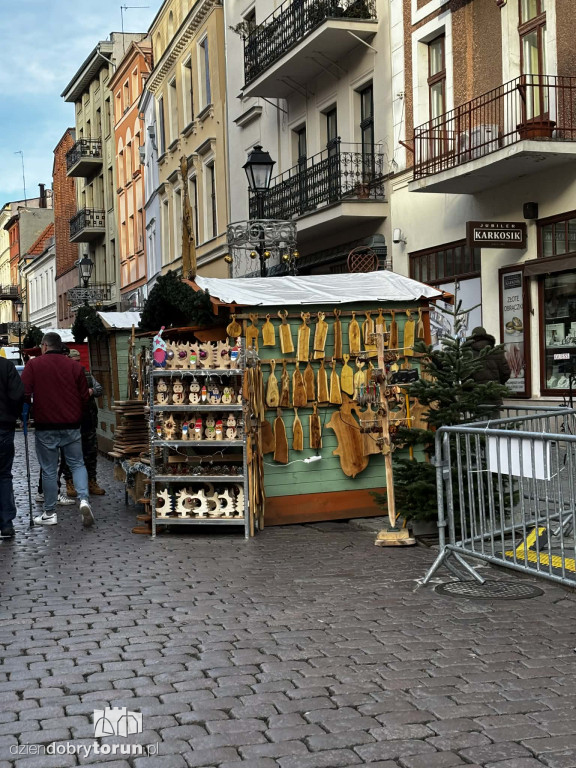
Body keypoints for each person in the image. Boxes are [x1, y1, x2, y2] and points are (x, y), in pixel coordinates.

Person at [21, 332, 94, 527]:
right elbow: (84, 396)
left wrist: (26, 414)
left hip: (46, 424)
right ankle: (84, 500)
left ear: (44, 346)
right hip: (71, 423)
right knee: (78, 464)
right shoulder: (75, 366)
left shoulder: (34, 365)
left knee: (49, 469)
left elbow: (24, 393)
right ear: (60, 346)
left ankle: (50, 512)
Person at [61, 348, 105, 497]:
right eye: (74, 361)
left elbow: (99, 389)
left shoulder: (87, 374)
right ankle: (70, 482)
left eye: (78, 361)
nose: (77, 364)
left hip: (88, 421)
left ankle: (92, 481)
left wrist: (91, 390)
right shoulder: (64, 375)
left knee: (91, 453)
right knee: (69, 454)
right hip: (71, 422)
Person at [0, 356, 25, 539]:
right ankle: (6, 523)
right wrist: (13, 415)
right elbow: (18, 394)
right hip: (3, 427)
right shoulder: (6, 366)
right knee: (3, 475)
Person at [465, 326, 511, 409]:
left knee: (479, 422)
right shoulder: (496, 352)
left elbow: (465, 377)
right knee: (494, 421)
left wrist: (470, 391)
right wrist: (497, 385)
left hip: (477, 398)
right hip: (494, 397)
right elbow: (506, 373)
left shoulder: (468, 354)